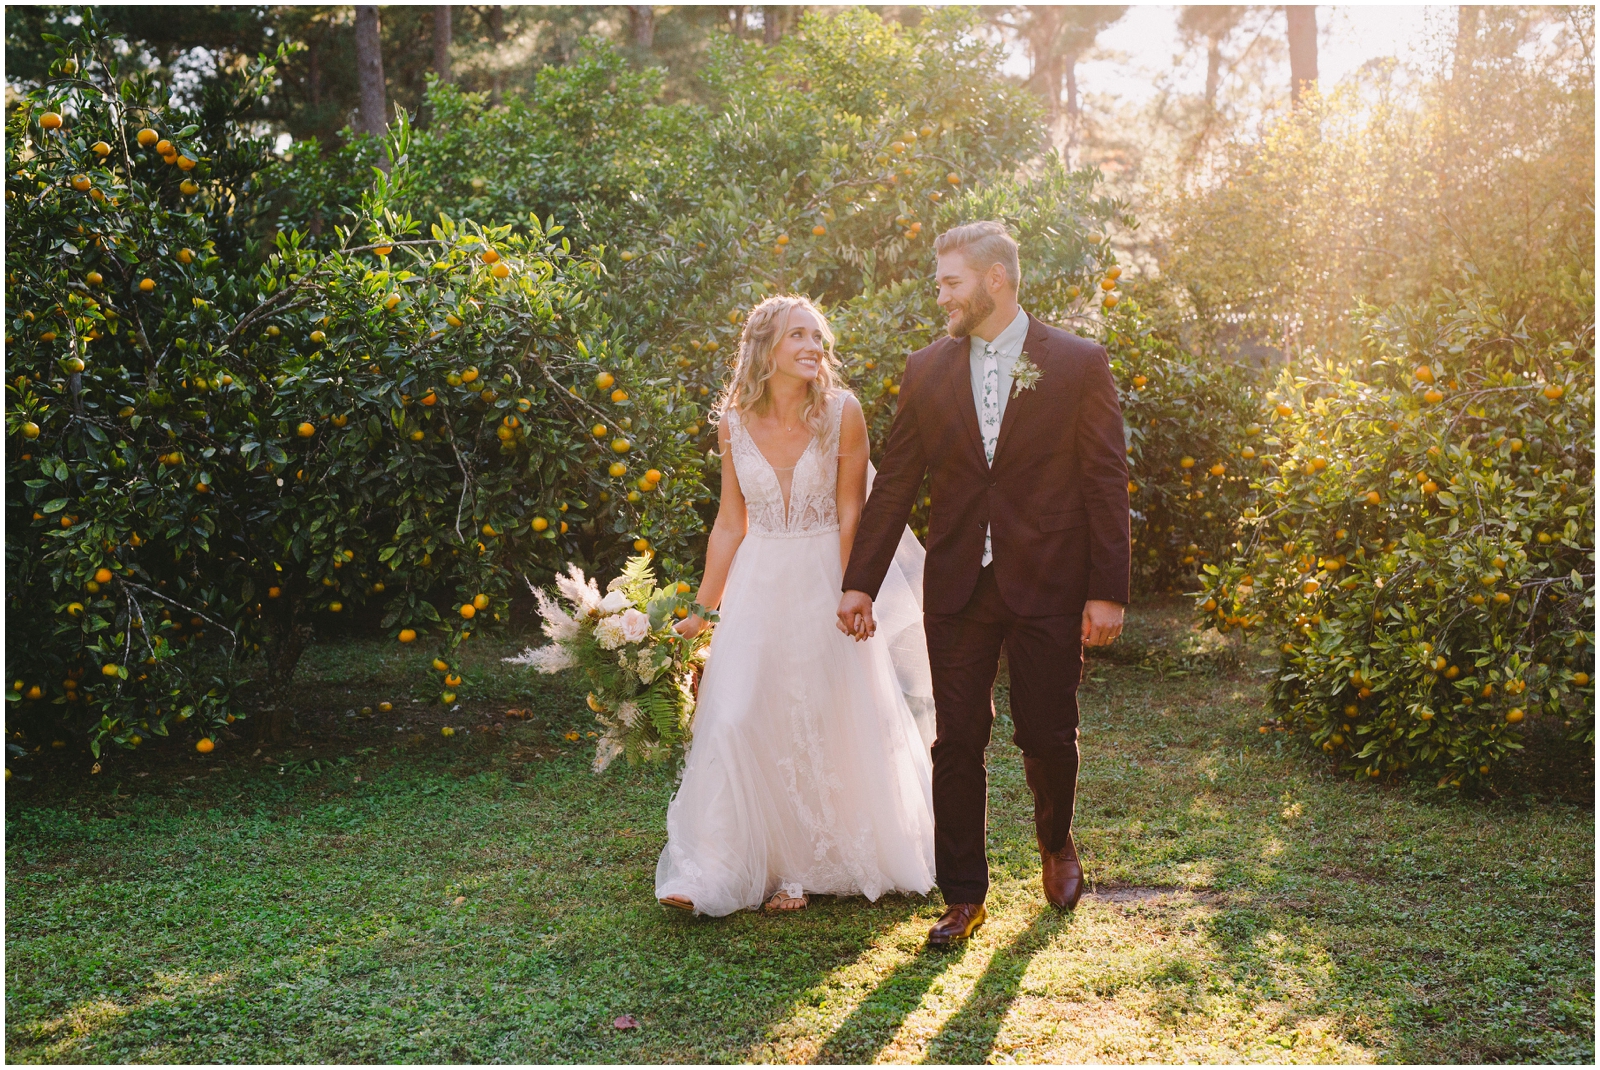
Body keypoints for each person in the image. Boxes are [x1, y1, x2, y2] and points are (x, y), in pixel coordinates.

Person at [838, 221, 1131, 947]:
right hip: (960, 583)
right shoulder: (926, 369)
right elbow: (898, 481)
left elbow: (1104, 478)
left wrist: (1109, 590)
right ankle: (963, 895)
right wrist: (860, 583)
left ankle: (1056, 842)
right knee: (956, 739)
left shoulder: (1076, 362)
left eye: (951, 282)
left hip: (1049, 578)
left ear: (994, 281)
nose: (941, 295)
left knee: (1047, 731)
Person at [655, 295, 936, 917]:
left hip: (823, 578)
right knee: (731, 714)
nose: (813, 347)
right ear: (766, 349)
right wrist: (702, 613)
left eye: (818, 336)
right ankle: (715, 866)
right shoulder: (733, 422)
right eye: (798, 336)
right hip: (758, 581)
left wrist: (849, 591)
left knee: (816, 715)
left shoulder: (842, 412)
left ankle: (800, 869)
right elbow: (730, 525)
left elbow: (850, 512)